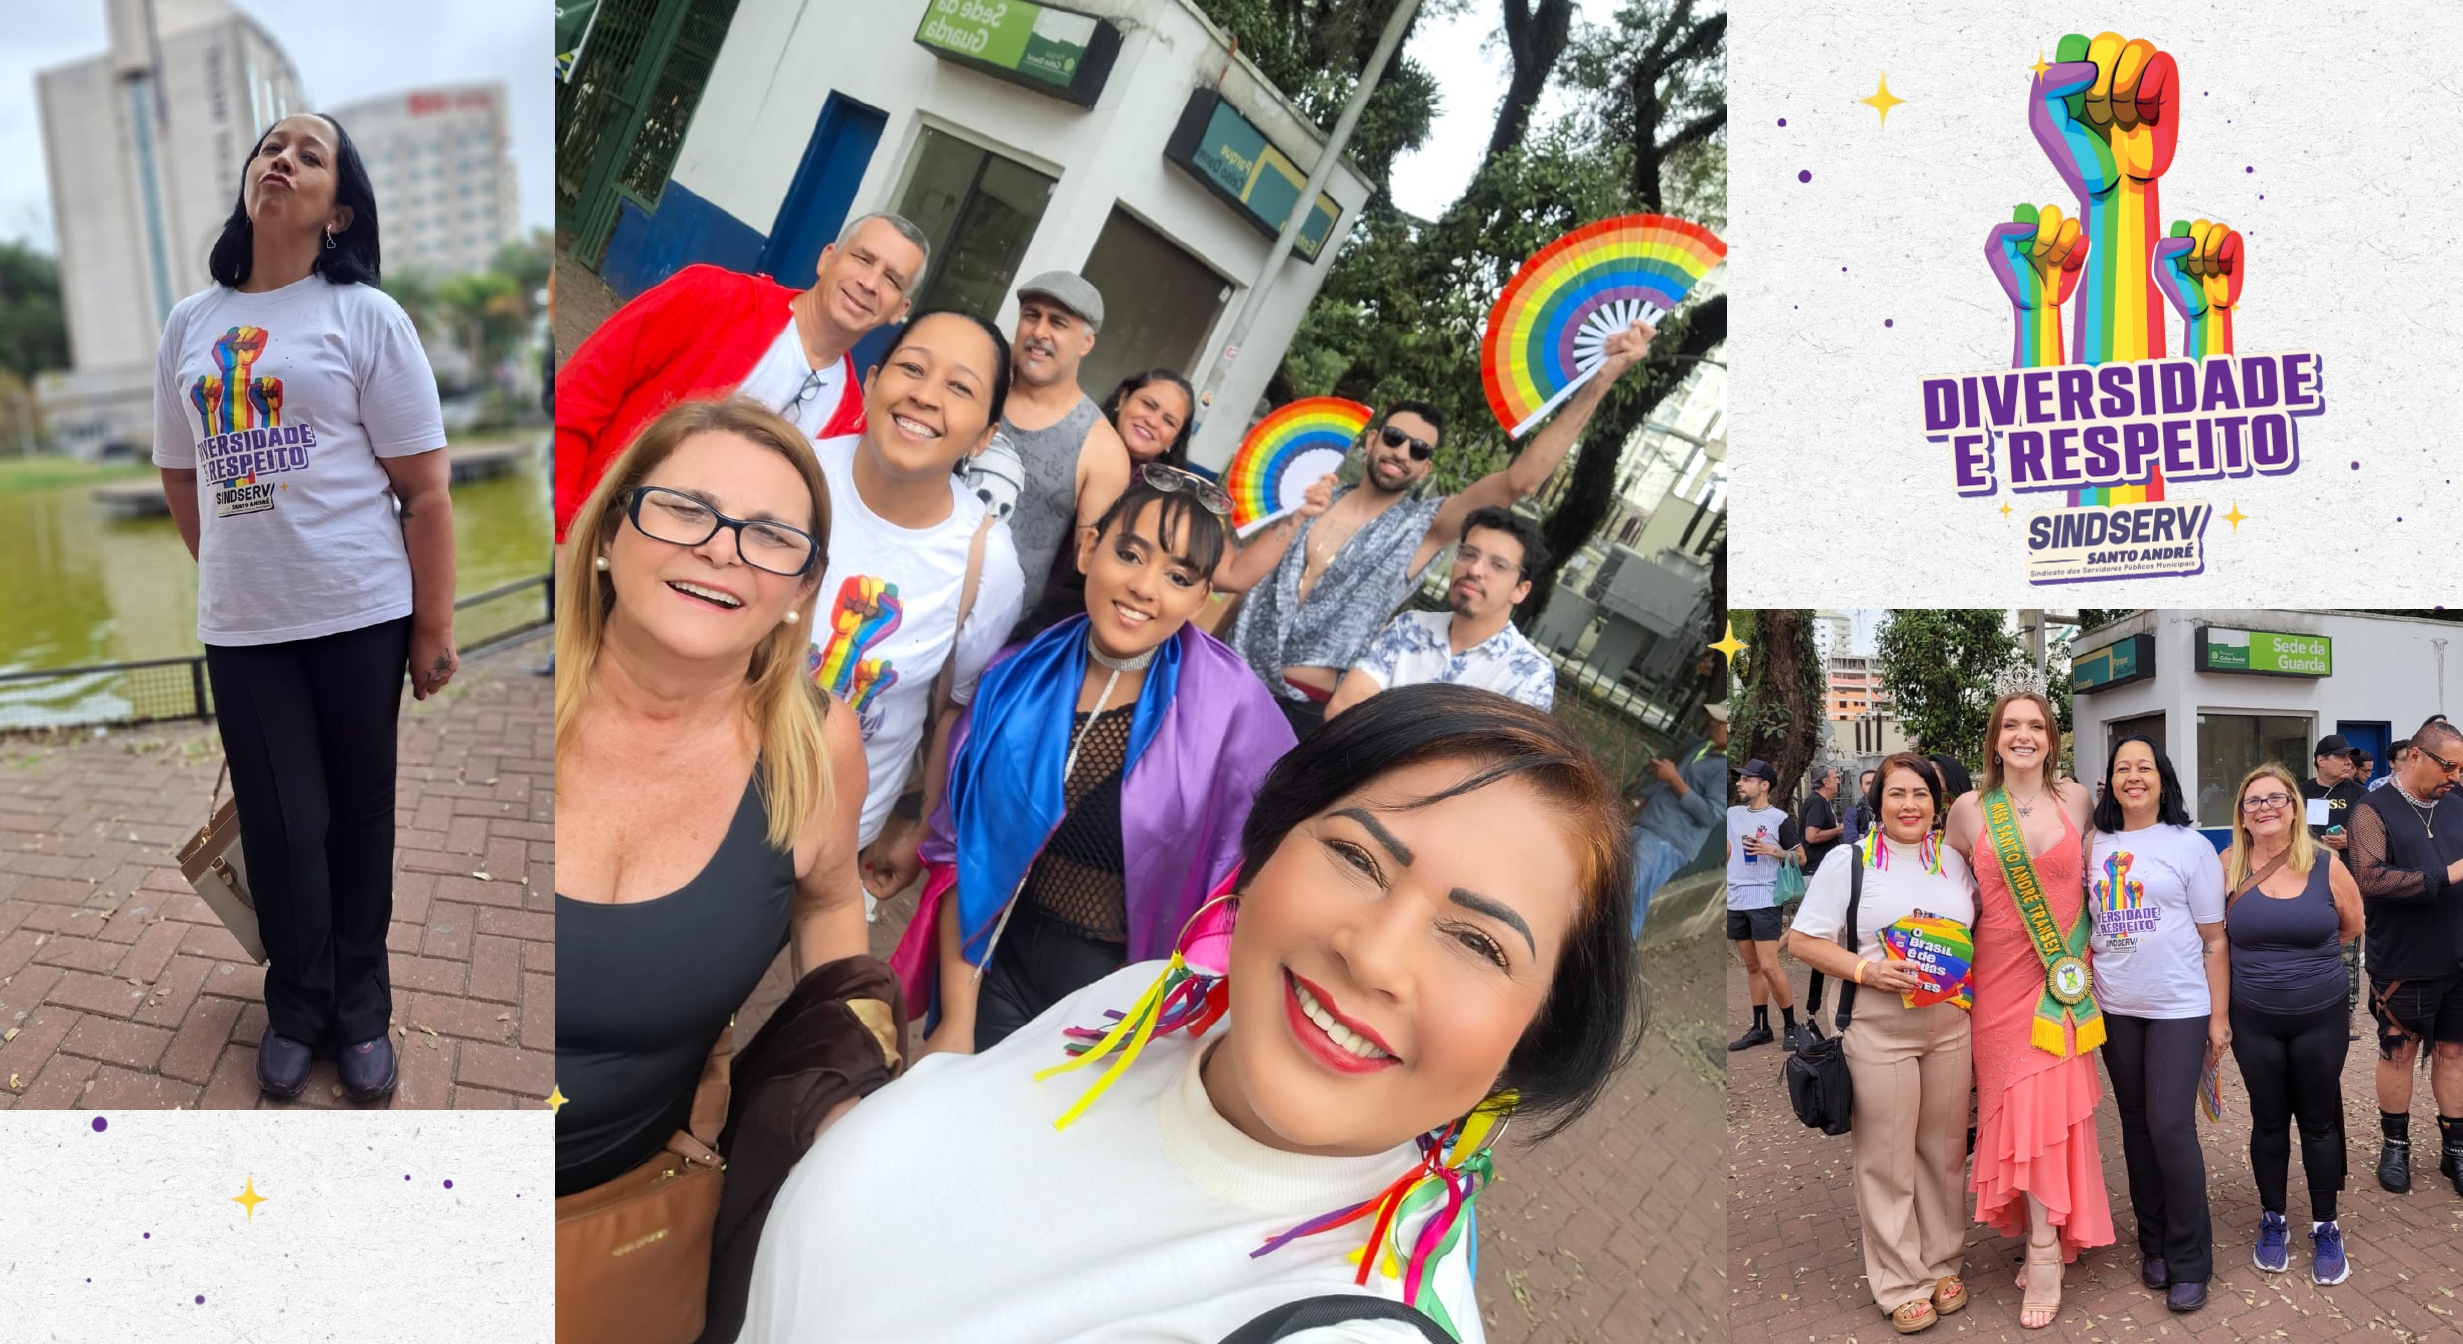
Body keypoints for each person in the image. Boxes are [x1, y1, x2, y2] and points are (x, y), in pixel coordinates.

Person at [738, 686, 1641, 1343]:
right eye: (1358, 858)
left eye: (1478, 943)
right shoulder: (1146, 1008)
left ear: (1538, 1033)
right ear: (1262, 855)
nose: (1372, 954)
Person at [154, 112, 455, 1102]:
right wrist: (237, 569)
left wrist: (433, 626)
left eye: (307, 153)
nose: (278, 158)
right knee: (283, 825)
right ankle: (298, 999)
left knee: (358, 817)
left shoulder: (365, 316)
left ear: (340, 211)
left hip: (361, 612)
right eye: (268, 147)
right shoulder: (190, 326)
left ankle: (362, 1007)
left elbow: (423, 488)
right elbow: (181, 476)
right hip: (246, 629)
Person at [553, 397, 873, 1196]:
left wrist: (843, 1087)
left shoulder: (816, 745)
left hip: (608, 1218)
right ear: (611, 528)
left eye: (769, 535)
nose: (722, 550)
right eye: (686, 508)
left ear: (803, 586)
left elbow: (831, 901)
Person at [897, 470, 1296, 1054]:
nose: (1145, 588)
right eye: (1130, 554)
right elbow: (963, 852)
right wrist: (956, 1019)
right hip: (992, 972)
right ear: (1089, 548)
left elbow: (1250, 888)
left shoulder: (1236, 713)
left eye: (1179, 576)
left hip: (1122, 1010)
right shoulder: (1015, 679)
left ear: (1201, 597)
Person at [1229, 321, 1656, 738]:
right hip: (1230, 668)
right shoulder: (1310, 496)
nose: (1402, 453)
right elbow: (1250, 588)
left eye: (1418, 450)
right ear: (1372, 439)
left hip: (1302, 708)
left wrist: (1602, 377)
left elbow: (1520, 480)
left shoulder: (1423, 527)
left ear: (1426, 466)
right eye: (1395, 438)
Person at [799, 312, 1027, 906]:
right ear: (872, 382)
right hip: (704, 773)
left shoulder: (988, 565)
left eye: (960, 387)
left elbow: (953, 710)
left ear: (983, 435)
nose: (926, 396)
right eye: (913, 367)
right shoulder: (791, 474)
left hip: (830, 830)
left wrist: (922, 827)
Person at [552, 212, 929, 542]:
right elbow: (579, 395)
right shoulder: (711, 298)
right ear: (827, 258)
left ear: (900, 309)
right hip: (590, 535)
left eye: (892, 280)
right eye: (863, 259)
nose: (870, 282)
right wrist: (560, 526)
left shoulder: (849, 425)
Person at [1786, 753, 1977, 1335]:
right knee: (1887, 1157)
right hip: (1878, 1025)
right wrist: (1867, 973)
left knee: (1943, 1154)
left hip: (1950, 1025)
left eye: (1921, 794)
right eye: (1897, 794)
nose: (1910, 805)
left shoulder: (1954, 863)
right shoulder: (1850, 861)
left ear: (1936, 804)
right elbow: (1801, 941)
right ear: (1878, 802)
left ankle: (1943, 1262)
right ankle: (1900, 1280)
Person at [1942, 689, 2110, 1331]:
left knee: (2053, 1110)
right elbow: (1945, 890)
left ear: (2051, 738)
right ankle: (2046, 1230)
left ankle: (2046, 1248)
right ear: (1993, 738)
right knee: (2014, 1105)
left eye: (2034, 726)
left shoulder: (2078, 801)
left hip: (2061, 984)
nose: (2023, 735)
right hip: (1997, 983)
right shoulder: (1967, 811)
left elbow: (2108, 874)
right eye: (2010, 725)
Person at [1008, 369, 1330, 642]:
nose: (1152, 421)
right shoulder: (1070, 438)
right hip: (1004, 594)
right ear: (1123, 398)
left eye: (1169, 421)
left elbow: (1234, 574)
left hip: (1076, 631)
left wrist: (1296, 516)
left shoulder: (1177, 498)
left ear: (1175, 438)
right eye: (1148, 404)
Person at [2083, 736, 2226, 1311]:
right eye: (2123, 768)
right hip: (2116, 1007)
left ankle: (2192, 1257)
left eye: (2145, 767)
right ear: (2110, 782)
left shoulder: (2189, 846)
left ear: (2163, 780)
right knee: (2137, 1128)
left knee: (2171, 1127)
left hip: (2179, 1007)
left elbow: (2215, 939)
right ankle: (2155, 1245)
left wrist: (2219, 1018)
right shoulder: (2093, 844)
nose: (2133, 777)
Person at [2221, 763, 2365, 1286]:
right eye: (2254, 800)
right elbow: (2213, 941)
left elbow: (2352, 927)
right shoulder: (2226, 867)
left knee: (2318, 1121)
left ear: (2294, 807)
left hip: (2320, 1017)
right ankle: (2273, 1218)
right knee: (2267, 1119)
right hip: (2253, 1018)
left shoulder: (2328, 867)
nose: (2265, 808)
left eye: (2276, 799)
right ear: (2242, 813)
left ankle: (2326, 1225)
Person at [964, 273, 1131, 622]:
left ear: (1086, 343)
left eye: (1057, 323)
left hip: (998, 629)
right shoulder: (973, 385)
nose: (1039, 332)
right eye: (1031, 315)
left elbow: (1087, 571)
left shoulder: (1101, 448)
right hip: (914, 582)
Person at [2347, 717, 2463, 1197]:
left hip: (2459, 956)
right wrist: (2447, 875)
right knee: (2398, 1054)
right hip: (2403, 961)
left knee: (2455, 1053)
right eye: (2449, 766)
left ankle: (2456, 1149)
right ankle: (2395, 1145)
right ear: (2417, 756)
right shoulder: (2371, 810)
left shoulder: (2457, 806)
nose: (2455, 777)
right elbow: (2371, 878)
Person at [1324, 507, 1556, 720]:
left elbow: (1501, 763)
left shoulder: (1529, 673)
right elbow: (1342, 708)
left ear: (1520, 590)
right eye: (1468, 554)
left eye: (1498, 565)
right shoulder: (1409, 627)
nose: (1474, 569)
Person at [1629, 701, 1728, 941]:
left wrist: (1675, 780)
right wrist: (1641, 800)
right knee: (1618, 890)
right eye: (1713, 718)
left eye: (1720, 721)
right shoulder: (1705, 748)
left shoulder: (1725, 767)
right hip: (1649, 827)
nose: (1713, 723)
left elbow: (1710, 815)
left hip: (1668, 841)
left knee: (1629, 898)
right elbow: (1672, 784)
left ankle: (1612, 962)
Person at [1728, 759, 1804, 1052]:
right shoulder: (1732, 814)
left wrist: (1771, 850)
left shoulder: (1779, 819)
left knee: (1770, 966)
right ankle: (1760, 1028)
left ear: (1764, 785)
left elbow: (1800, 858)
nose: (1739, 783)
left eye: (1747, 779)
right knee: (1752, 966)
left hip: (1763, 900)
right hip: (1736, 899)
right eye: (1740, 778)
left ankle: (1791, 1026)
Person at [2300, 734, 2365, 855]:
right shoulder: (2300, 792)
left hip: (2347, 868)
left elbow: (2377, 836)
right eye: (2341, 757)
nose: (2349, 762)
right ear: (2321, 761)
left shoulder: (2360, 793)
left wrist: (2351, 841)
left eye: (2349, 757)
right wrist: (2319, 844)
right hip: (2309, 865)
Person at [1802, 766, 1846, 877]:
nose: (1838, 782)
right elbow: (1811, 836)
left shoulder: (1822, 802)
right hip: (1816, 869)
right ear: (1826, 783)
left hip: (1822, 867)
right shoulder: (1817, 803)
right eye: (1835, 778)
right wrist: (1838, 830)